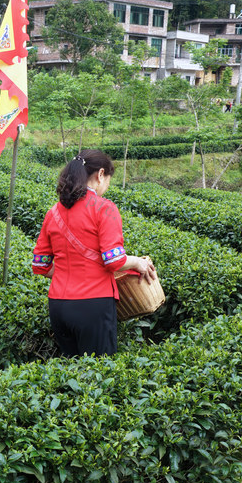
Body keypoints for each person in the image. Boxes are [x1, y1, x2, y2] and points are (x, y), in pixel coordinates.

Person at [31, 150, 155, 358]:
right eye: (108, 179)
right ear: (100, 174)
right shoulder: (104, 208)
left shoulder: (53, 212)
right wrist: (136, 262)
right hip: (93, 305)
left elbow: (40, 265)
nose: (107, 185)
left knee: (72, 372)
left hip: (58, 307)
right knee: (98, 377)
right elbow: (113, 259)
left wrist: (67, 273)